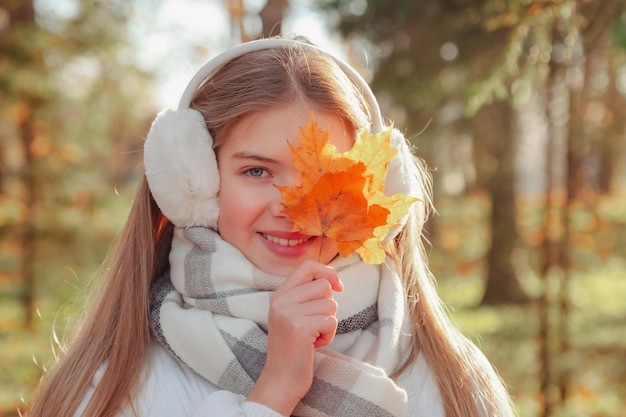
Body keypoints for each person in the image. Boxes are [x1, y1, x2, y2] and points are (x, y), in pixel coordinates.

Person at [26, 36, 517, 417]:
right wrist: (273, 392)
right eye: (257, 171)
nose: (292, 206)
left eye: (325, 177)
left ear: (377, 190)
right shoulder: (115, 379)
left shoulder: (447, 373)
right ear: (195, 180)